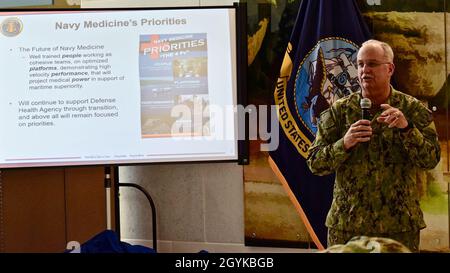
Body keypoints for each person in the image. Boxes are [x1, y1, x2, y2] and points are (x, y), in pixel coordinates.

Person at [306, 39, 440, 252]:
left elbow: (430, 159)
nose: (364, 70)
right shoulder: (339, 111)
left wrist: (407, 129)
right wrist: (345, 143)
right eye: (360, 64)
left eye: (372, 64)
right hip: (347, 225)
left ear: (390, 69)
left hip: (398, 225)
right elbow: (315, 163)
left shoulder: (412, 110)